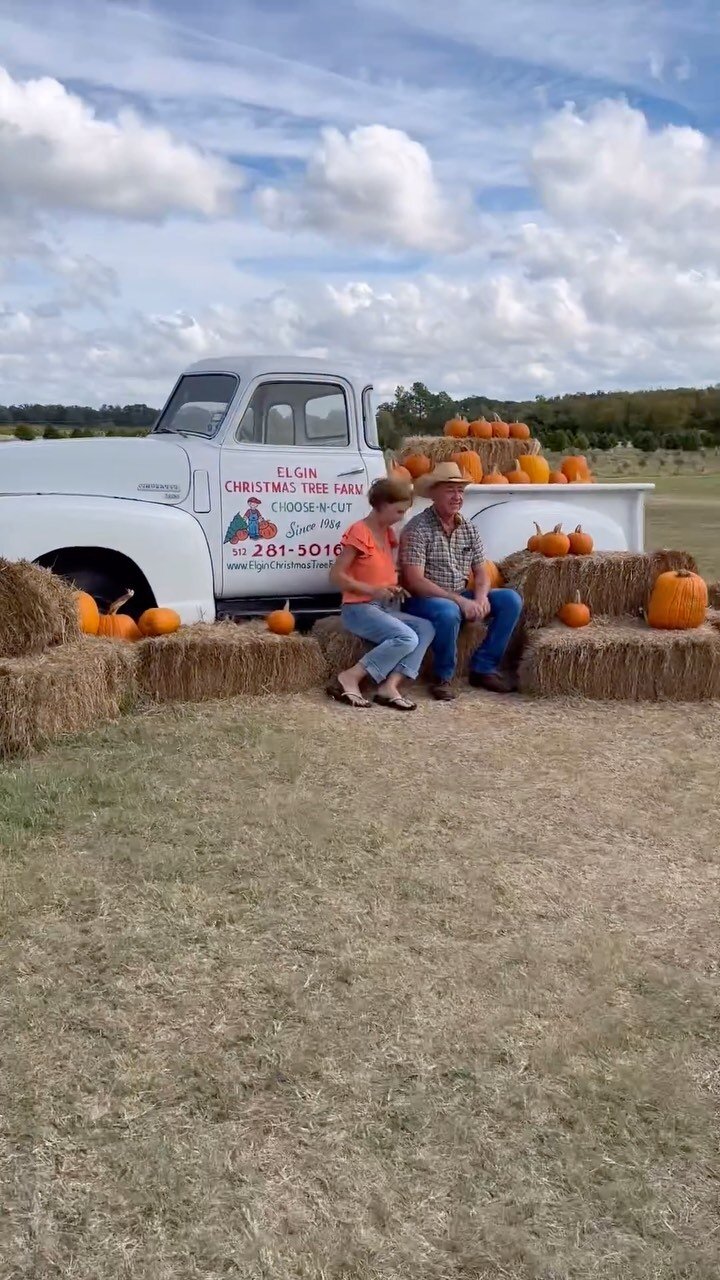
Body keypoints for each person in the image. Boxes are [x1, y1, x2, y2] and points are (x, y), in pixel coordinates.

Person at [400, 461, 523, 701]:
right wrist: (460, 601)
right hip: (423, 599)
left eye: (460, 491)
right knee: (448, 611)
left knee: (510, 599)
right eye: (450, 490)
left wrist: (480, 597)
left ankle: (484, 667)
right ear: (433, 493)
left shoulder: (469, 529)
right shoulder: (418, 528)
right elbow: (414, 580)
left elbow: (482, 571)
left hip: (458, 595)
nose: (457, 497)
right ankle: (442, 677)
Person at [327, 476, 435, 710]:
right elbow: (336, 576)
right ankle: (350, 676)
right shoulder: (359, 531)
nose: (402, 517)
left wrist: (391, 587)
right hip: (358, 608)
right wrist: (373, 590)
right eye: (398, 511)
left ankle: (390, 686)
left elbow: (379, 571)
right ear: (382, 505)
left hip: (383, 607)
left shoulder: (387, 534)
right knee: (407, 637)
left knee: (425, 628)